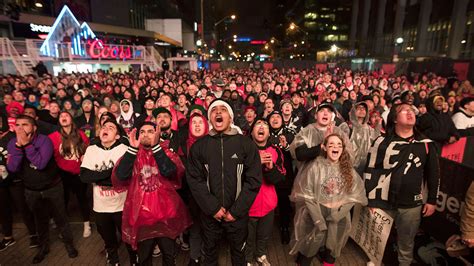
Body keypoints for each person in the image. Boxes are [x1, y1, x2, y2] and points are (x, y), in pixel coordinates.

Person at [186, 99, 262, 265]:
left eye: (223, 110)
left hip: (237, 216)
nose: (218, 113)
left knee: (238, 256)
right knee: (210, 256)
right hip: (210, 216)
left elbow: (253, 181)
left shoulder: (246, 144)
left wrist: (235, 211)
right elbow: (195, 180)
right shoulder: (199, 147)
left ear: (231, 117)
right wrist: (212, 208)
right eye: (214, 110)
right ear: (210, 118)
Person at [364, 103, 440, 266]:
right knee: (378, 238)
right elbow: (371, 169)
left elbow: (433, 174)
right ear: (394, 119)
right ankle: (377, 261)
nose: (410, 112)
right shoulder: (381, 142)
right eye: (403, 110)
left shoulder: (425, 144)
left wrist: (432, 200)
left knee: (406, 243)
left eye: (411, 110)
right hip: (383, 201)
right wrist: (371, 199)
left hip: (411, 204)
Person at [113, 121, 191, 266]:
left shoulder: (166, 152)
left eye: (150, 131)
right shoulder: (133, 154)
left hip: (165, 215)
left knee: (169, 256)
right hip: (142, 217)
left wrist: (156, 148)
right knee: (144, 258)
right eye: (142, 132)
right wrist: (132, 149)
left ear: (157, 134)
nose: (146, 134)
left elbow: (170, 172)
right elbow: (121, 176)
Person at [7, 115, 77, 264]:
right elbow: (12, 168)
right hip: (31, 190)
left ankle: (69, 245)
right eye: (18, 125)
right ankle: (43, 248)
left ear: (34, 128)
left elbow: (41, 163)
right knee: (40, 221)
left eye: (25, 124)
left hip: (52, 187)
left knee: (61, 218)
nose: (20, 128)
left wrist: (26, 145)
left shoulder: (44, 140)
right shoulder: (13, 143)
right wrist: (19, 148)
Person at [290, 133, 367, 266]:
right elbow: (307, 195)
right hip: (315, 214)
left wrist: (338, 215)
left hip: (339, 216)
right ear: (324, 148)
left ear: (343, 148)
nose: (335, 147)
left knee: (332, 247)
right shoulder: (315, 167)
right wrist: (318, 219)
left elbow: (354, 196)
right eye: (331, 144)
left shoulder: (348, 170)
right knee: (310, 246)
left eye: (339, 145)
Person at [80, 119, 137, 265]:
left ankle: (134, 260)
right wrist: (112, 173)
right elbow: (85, 176)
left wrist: (99, 177)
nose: (106, 128)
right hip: (101, 207)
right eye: (104, 126)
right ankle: (113, 260)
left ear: (117, 136)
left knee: (128, 238)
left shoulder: (124, 149)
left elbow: (123, 176)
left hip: (122, 205)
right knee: (108, 239)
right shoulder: (92, 149)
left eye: (111, 128)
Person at [246, 118, 286, 266]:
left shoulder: (275, 151)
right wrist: (256, 163)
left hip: (269, 204)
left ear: (269, 133)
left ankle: (260, 256)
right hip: (248, 205)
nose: (261, 127)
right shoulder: (245, 149)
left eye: (265, 125)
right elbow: (239, 175)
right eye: (258, 124)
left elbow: (281, 177)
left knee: (263, 236)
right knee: (248, 237)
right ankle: (248, 260)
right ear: (251, 132)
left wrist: (270, 168)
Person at [49, 111, 91, 238]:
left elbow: (88, 151)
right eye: (61, 116)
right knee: (63, 200)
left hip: (79, 174)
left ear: (71, 120)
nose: (63, 117)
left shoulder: (81, 134)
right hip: (63, 174)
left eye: (66, 115)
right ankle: (62, 225)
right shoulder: (53, 137)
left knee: (82, 199)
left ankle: (86, 224)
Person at [0, 118, 38, 251]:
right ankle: (8, 237)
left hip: (16, 180)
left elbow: (20, 157)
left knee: (24, 209)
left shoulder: (11, 137)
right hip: (1, 183)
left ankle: (34, 234)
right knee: (3, 209)